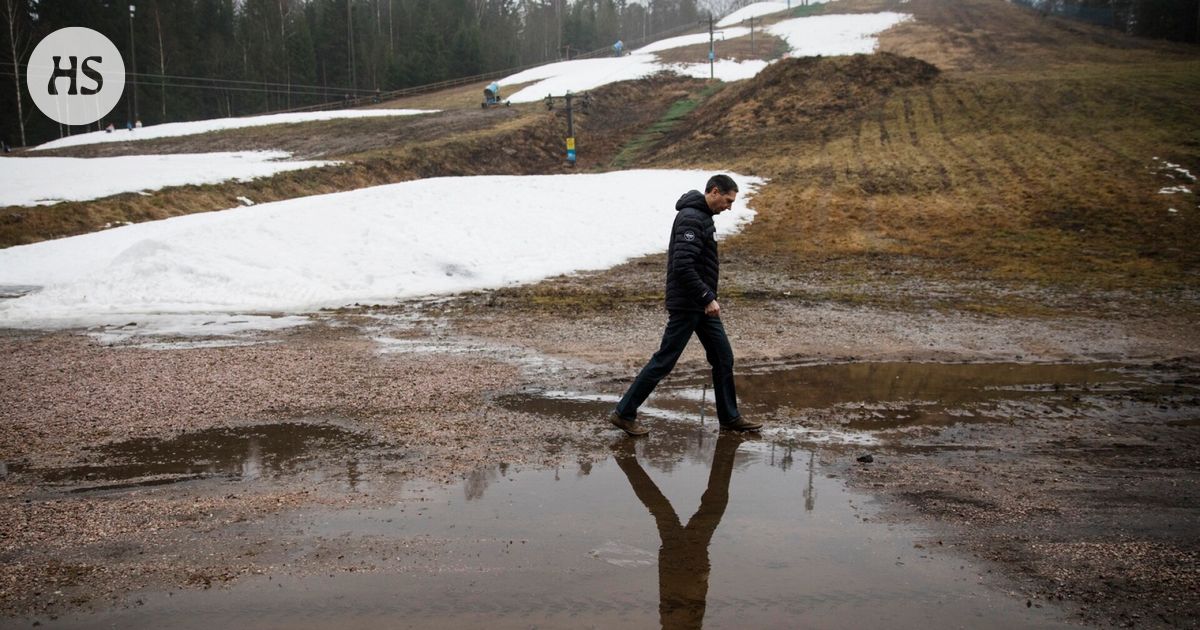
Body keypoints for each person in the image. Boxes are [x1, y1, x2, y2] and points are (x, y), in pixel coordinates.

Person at [610, 174, 762, 436]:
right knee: (664, 360)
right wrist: (706, 297)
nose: (729, 207)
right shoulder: (691, 218)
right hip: (690, 304)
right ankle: (624, 413)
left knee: (723, 358)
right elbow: (683, 266)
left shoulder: (702, 217)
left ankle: (729, 417)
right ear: (714, 192)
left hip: (700, 305)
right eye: (727, 201)